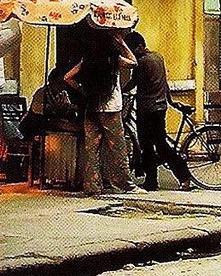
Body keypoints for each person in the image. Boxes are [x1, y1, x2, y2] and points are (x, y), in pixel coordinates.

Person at [64, 27, 142, 195]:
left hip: (91, 108)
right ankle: (125, 184)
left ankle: (92, 186)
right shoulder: (113, 59)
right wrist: (122, 44)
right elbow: (134, 62)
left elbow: (67, 78)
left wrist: (82, 89)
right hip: (111, 109)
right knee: (117, 148)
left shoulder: (87, 61)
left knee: (92, 148)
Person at [124, 32, 191, 191]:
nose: (131, 54)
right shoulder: (158, 57)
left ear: (139, 47)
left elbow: (134, 83)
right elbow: (164, 82)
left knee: (150, 146)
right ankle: (157, 180)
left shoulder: (142, 62)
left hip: (147, 108)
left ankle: (173, 177)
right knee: (159, 144)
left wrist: (120, 91)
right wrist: (170, 101)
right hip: (160, 107)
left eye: (132, 50)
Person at [20, 67, 81, 140]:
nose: (63, 86)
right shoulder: (42, 93)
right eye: (59, 82)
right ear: (52, 81)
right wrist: (54, 109)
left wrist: (71, 108)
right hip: (35, 126)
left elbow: (67, 108)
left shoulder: (63, 94)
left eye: (63, 83)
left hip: (51, 123)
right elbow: (38, 111)